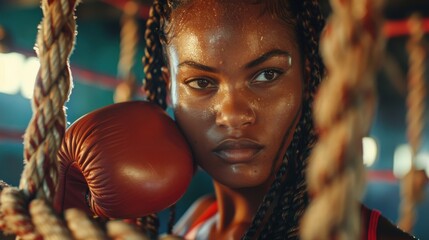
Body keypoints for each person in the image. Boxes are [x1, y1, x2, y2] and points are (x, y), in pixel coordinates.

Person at [140, 0, 416, 239]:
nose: (234, 114)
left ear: (309, 79)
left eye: (267, 75)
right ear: (169, 89)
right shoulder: (197, 218)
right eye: (201, 82)